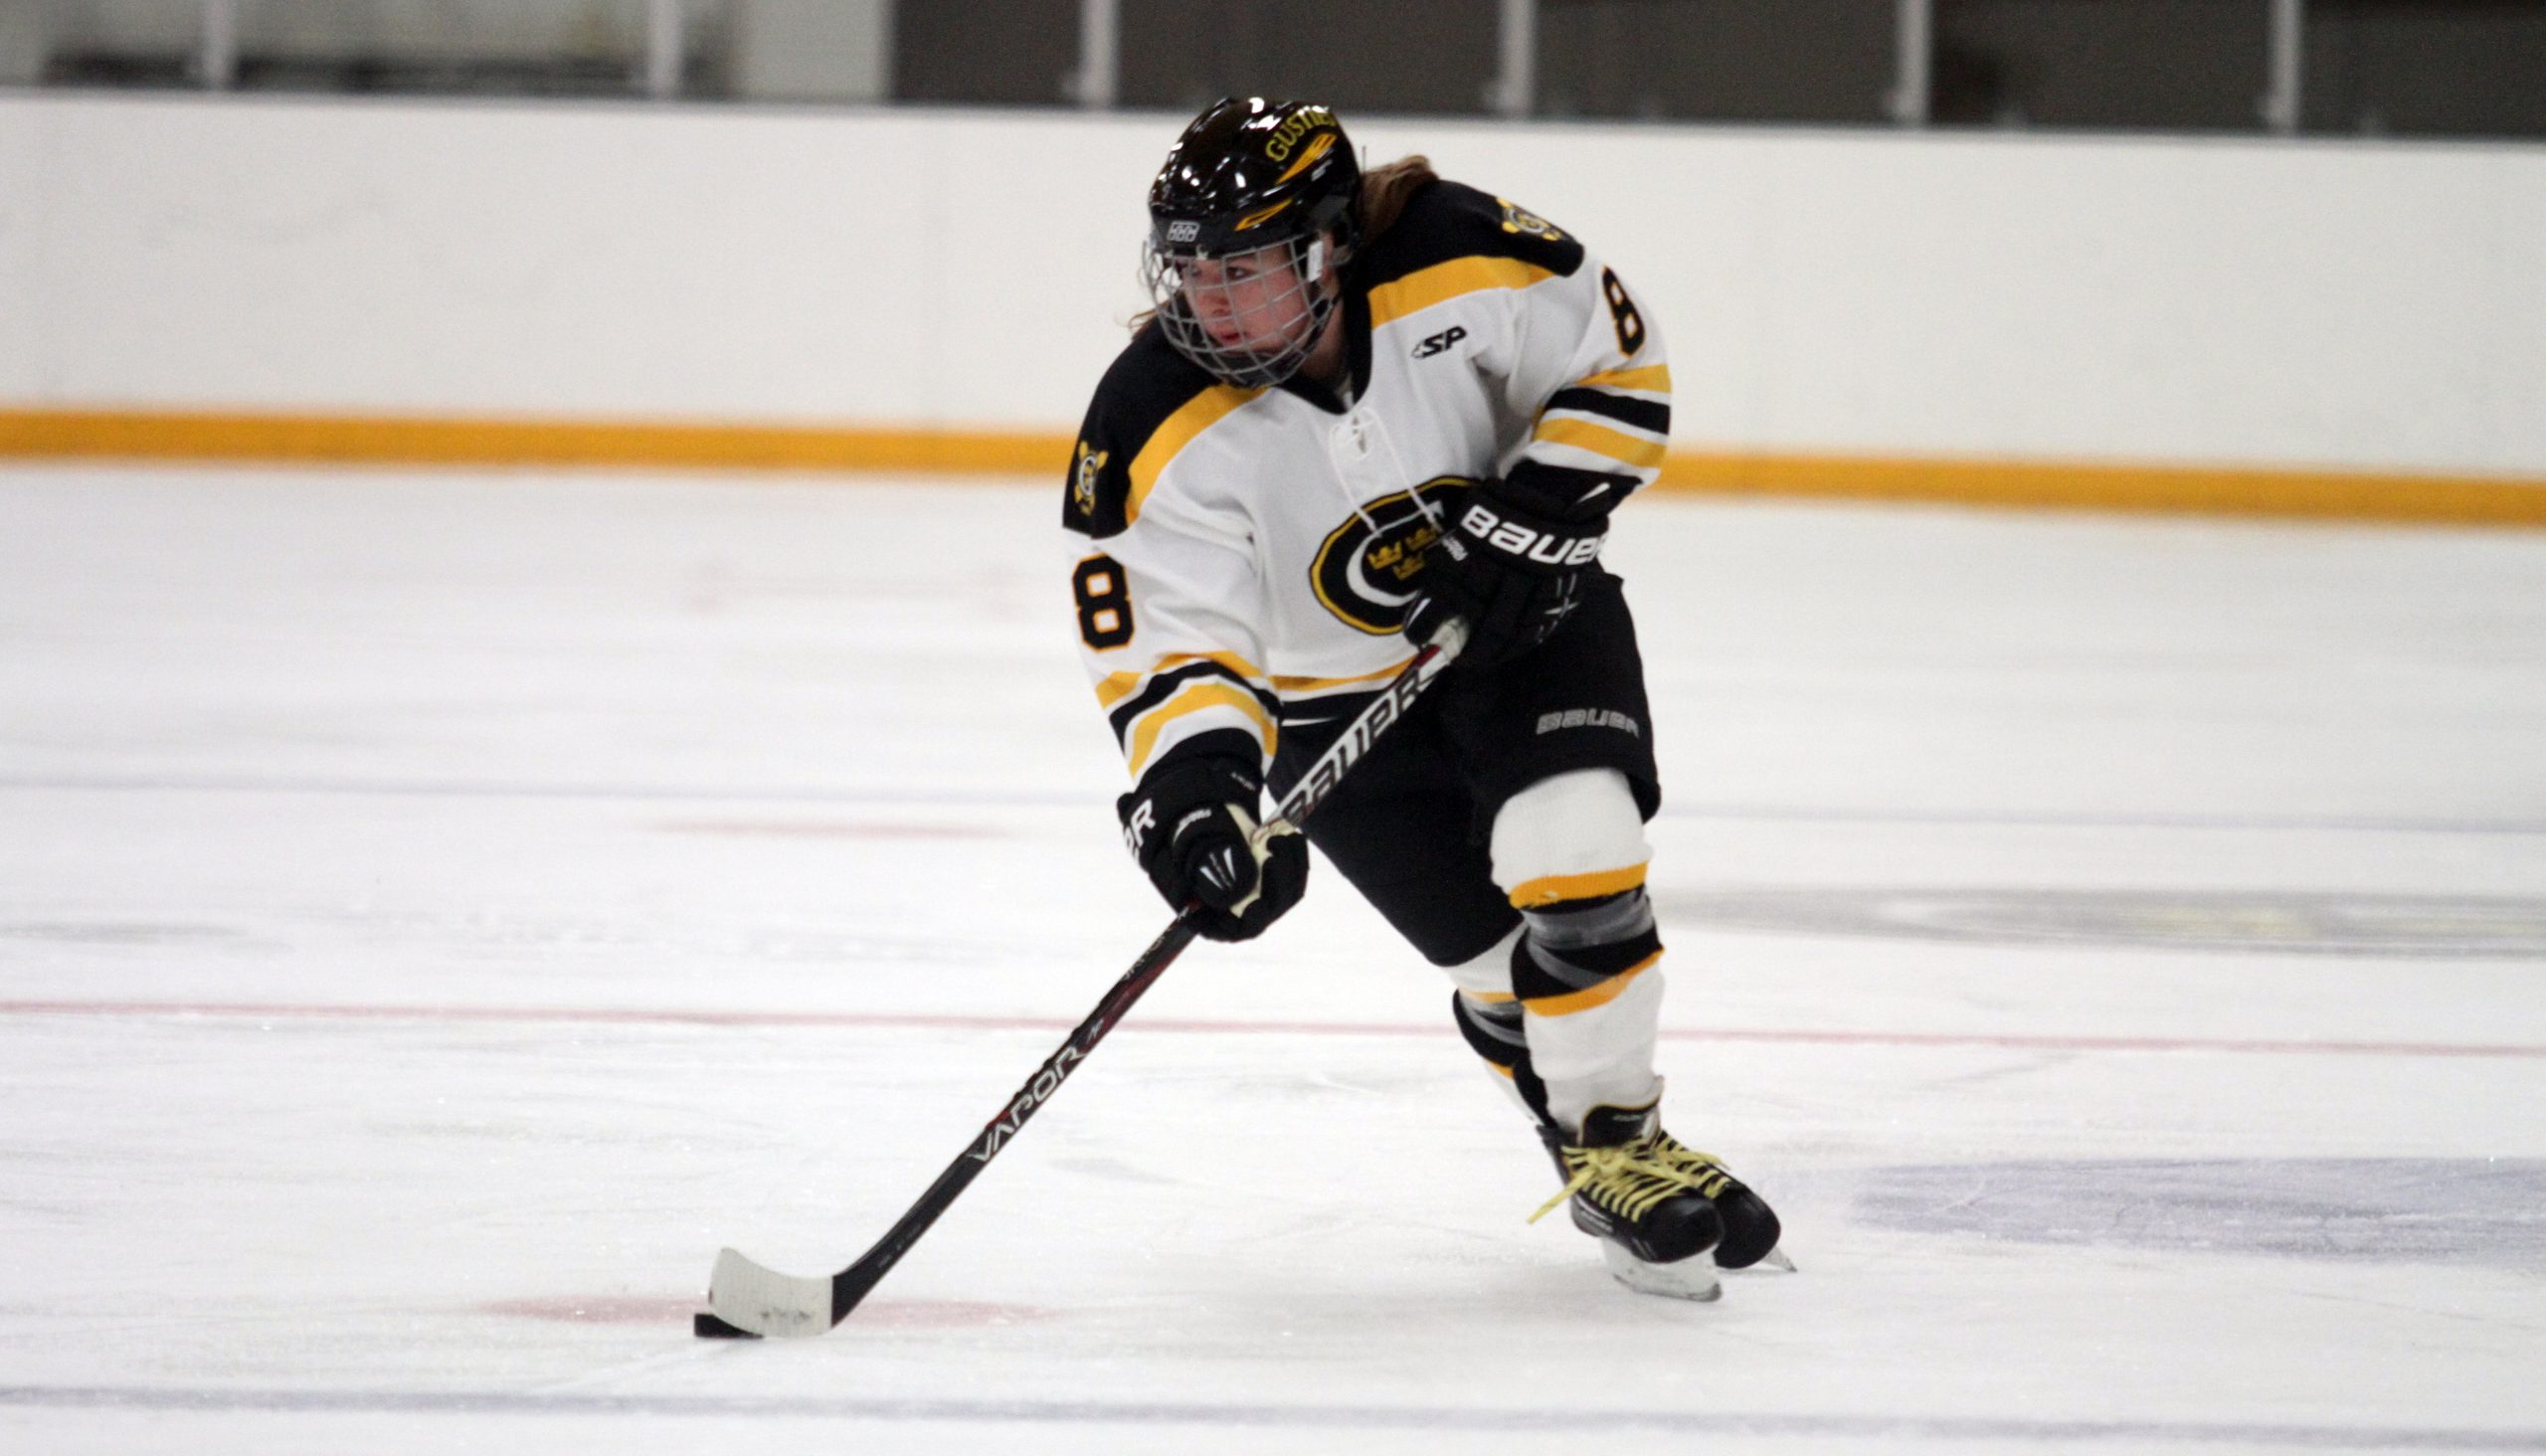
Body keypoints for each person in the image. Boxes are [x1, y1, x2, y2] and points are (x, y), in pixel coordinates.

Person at [1061, 96, 1781, 1300]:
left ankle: (1614, 1144)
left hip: (1528, 625)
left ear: (1328, 245)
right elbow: (1168, 642)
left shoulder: (1460, 252)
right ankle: (1611, 1145)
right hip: (1326, 713)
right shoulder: (1146, 420)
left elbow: (1617, 365)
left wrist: (1532, 521)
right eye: (1192, 272)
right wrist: (1196, 797)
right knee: (1502, 972)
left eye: (1245, 269)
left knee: (1580, 860)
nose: (1214, 303)